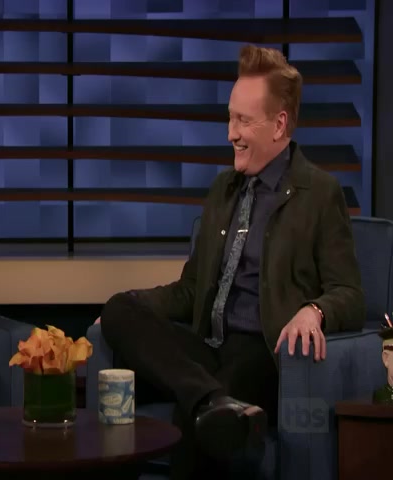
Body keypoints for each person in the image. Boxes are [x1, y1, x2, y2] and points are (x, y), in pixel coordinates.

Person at [96, 44, 365, 478]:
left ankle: (208, 401)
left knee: (197, 410)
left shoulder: (319, 193)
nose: (230, 134)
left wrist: (314, 311)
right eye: (230, 118)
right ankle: (213, 400)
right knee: (117, 310)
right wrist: (135, 304)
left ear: (280, 124)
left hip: (263, 352)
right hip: (208, 347)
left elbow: (349, 293)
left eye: (243, 120)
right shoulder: (223, 188)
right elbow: (190, 290)